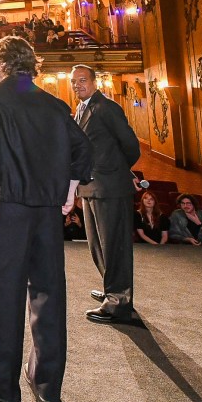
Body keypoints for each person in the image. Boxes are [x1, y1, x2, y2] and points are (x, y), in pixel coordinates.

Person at [0, 37, 92, 402]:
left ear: (1, 63)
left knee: (3, 293)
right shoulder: (55, 104)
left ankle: (0, 382)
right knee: (49, 293)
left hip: (9, 210)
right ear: (30, 65)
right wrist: (69, 192)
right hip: (49, 213)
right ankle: (47, 384)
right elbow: (82, 149)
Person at [70, 64, 142, 325]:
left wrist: (119, 170)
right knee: (97, 245)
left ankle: (119, 301)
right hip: (90, 187)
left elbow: (131, 145)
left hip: (110, 188)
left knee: (114, 245)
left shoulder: (107, 107)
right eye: (73, 81)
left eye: (82, 80)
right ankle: (111, 288)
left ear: (94, 82)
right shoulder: (81, 108)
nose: (77, 85)